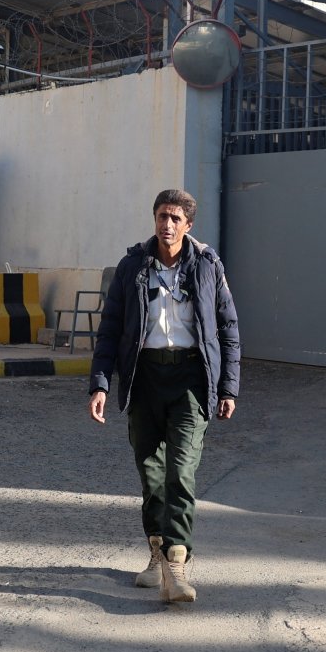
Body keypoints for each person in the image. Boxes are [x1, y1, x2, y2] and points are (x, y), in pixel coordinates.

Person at [88, 188, 240, 606]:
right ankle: (156, 550)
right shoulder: (132, 266)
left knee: (181, 471)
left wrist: (228, 387)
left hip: (191, 378)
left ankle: (177, 562)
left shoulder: (208, 265)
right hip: (144, 378)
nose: (167, 224)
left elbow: (228, 328)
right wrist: (100, 383)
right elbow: (110, 328)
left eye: (175, 218)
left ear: (188, 225)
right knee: (151, 473)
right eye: (161, 216)